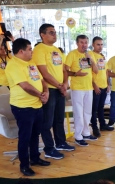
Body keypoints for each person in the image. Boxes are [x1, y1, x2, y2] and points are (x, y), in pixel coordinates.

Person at [5, 38, 50, 176]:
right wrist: (40, 95)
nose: (32, 52)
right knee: (25, 137)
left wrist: (46, 92)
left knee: (35, 135)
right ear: (21, 51)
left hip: (36, 105)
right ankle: (24, 165)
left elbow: (41, 80)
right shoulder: (13, 65)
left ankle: (35, 158)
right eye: (30, 49)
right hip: (23, 107)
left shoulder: (31, 63)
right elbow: (25, 85)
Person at [33, 23, 75, 160]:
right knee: (47, 122)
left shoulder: (57, 49)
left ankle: (61, 143)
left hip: (59, 89)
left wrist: (65, 83)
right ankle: (49, 149)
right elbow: (43, 73)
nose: (54, 34)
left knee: (59, 119)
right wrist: (59, 85)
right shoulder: (39, 50)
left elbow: (63, 69)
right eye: (51, 32)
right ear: (42, 34)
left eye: (55, 32)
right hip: (49, 90)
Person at [65, 35, 98, 147]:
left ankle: (86, 132)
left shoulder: (89, 55)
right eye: (81, 42)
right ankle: (78, 136)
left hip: (89, 87)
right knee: (78, 112)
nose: (84, 45)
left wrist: (90, 58)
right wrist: (75, 74)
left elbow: (96, 71)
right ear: (77, 43)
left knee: (87, 112)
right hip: (77, 88)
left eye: (85, 42)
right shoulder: (72, 54)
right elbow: (65, 70)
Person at [90, 36, 114, 138]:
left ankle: (103, 125)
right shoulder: (90, 55)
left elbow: (106, 72)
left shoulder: (103, 57)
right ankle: (95, 128)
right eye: (98, 44)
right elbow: (89, 72)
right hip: (95, 87)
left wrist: (108, 84)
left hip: (104, 86)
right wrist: (94, 85)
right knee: (94, 109)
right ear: (93, 45)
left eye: (101, 44)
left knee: (101, 108)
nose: (100, 46)